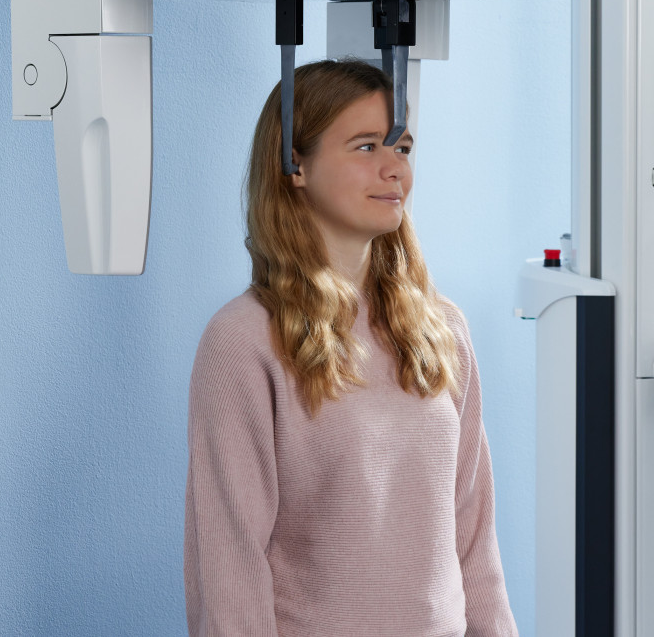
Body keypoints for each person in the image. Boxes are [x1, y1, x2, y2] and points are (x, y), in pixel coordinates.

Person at [184, 59, 517, 636]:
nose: (395, 169)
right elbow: (230, 565)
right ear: (295, 165)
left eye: (402, 147)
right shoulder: (243, 340)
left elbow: (474, 541)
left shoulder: (442, 329)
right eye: (366, 147)